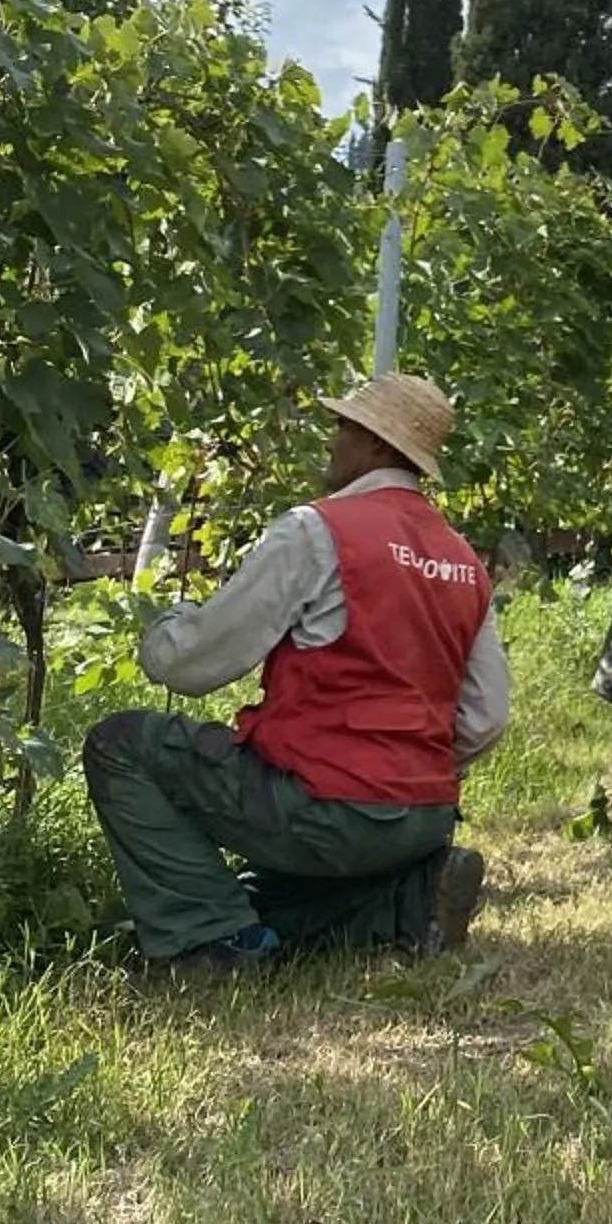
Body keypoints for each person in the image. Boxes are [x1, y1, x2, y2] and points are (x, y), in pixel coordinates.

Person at [83, 373, 503, 977]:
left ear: (379, 446)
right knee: (264, 898)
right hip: (423, 815)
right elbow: (487, 717)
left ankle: (209, 945)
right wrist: (408, 765)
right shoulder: (462, 558)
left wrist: (165, 630)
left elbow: (196, 663)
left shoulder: (318, 530)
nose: (331, 441)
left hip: (323, 807)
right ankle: (408, 900)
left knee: (119, 743)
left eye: (344, 428)